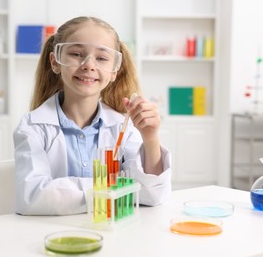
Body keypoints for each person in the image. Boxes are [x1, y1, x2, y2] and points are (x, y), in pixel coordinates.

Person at [13, 16, 172, 215]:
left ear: (115, 70)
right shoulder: (32, 127)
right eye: (77, 54)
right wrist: (115, 188)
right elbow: (32, 197)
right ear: (55, 62)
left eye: (102, 58)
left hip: (112, 235)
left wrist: (150, 138)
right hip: (54, 236)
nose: (89, 65)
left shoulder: (123, 126)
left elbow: (152, 195)